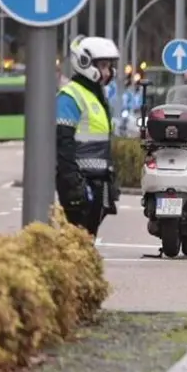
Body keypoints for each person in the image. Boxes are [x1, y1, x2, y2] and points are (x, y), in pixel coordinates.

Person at [57, 36, 120, 237]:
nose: (108, 72)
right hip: (80, 183)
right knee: (77, 240)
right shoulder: (71, 96)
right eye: (103, 65)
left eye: (110, 66)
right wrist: (72, 182)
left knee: (87, 238)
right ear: (85, 63)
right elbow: (62, 143)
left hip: (97, 181)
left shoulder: (96, 95)